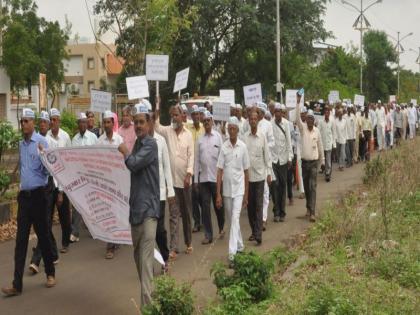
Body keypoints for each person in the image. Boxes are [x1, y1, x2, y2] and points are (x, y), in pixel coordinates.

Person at [2, 108, 56, 297]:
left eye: (26, 121)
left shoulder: (42, 142)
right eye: (22, 121)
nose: (23, 124)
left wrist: (44, 156)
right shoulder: (21, 145)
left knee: (43, 236)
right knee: (21, 241)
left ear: (33, 123)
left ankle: (50, 272)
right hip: (24, 198)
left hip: (39, 196)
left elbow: (51, 169)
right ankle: (17, 284)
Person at [118, 104, 160, 308]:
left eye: (142, 122)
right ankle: (154, 292)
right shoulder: (136, 145)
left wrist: (124, 151)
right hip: (135, 211)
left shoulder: (151, 144)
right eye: (136, 122)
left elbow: (133, 164)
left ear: (149, 123)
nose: (138, 126)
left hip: (149, 211)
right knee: (140, 262)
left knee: (145, 260)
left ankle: (148, 308)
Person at [155, 103, 194, 259]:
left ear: (182, 116)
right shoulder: (167, 132)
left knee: (186, 214)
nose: (173, 118)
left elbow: (191, 156)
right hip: (171, 183)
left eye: (176, 115)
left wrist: (189, 174)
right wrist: (157, 107)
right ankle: (174, 248)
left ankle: (189, 242)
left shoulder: (188, 135)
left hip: (185, 182)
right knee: (173, 215)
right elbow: (156, 126)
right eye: (172, 115)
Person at [216, 117, 250, 266]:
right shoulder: (224, 147)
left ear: (237, 129)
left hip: (239, 189)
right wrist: (218, 194)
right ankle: (240, 245)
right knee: (232, 220)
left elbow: (247, 172)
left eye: (234, 128)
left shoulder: (243, 147)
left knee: (235, 219)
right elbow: (219, 171)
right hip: (227, 190)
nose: (231, 131)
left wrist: (246, 195)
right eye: (229, 128)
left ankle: (232, 254)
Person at [29, 111, 59, 274]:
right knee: (44, 224)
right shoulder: (32, 141)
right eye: (40, 122)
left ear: (49, 125)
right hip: (35, 189)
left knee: (43, 224)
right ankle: (53, 253)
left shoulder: (50, 143)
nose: (42, 124)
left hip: (49, 187)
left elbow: (55, 167)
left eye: (45, 122)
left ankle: (36, 260)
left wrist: (59, 191)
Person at [148, 111, 175, 270]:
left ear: (152, 122)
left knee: (159, 230)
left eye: (150, 121)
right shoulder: (140, 142)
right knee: (147, 232)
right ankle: (149, 262)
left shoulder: (161, 141)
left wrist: (170, 191)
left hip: (160, 194)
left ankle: (165, 258)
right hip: (145, 195)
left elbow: (166, 167)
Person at [194, 111, 225, 245]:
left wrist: (223, 177)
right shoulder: (199, 140)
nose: (206, 123)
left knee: (218, 205)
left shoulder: (218, 137)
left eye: (208, 120)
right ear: (203, 123)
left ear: (212, 122)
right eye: (204, 121)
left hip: (216, 178)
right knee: (205, 207)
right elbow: (196, 161)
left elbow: (223, 158)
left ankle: (222, 227)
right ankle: (208, 234)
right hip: (204, 179)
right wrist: (196, 180)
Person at [98, 110, 124, 259]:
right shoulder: (99, 141)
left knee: (117, 211)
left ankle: (117, 238)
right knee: (108, 213)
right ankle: (110, 245)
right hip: (105, 182)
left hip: (117, 181)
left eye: (109, 122)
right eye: (104, 122)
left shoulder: (119, 140)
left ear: (113, 124)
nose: (107, 125)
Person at [295, 95, 325, 222]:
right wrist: (297, 103)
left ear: (314, 120)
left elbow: (320, 146)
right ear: (306, 120)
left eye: (311, 119)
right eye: (308, 119)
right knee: (306, 188)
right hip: (304, 163)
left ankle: (312, 212)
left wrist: (322, 161)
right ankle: (308, 209)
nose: (309, 121)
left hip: (313, 164)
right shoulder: (303, 130)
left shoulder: (317, 131)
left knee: (312, 187)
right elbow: (297, 119)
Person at [47, 108, 72, 254]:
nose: (52, 122)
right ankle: (49, 244)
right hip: (50, 183)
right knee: (47, 216)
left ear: (59, 121)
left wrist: (62, 190)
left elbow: (67, 161)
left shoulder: (65, 137)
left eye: (55, 119)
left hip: (63, 181)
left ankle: (65, 242)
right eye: (51, 119)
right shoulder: (46, 138)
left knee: (64, 216)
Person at [70, 113, 98, 243]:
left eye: (84, 122)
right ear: (77, 124)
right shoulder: (74, 140)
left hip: (91, 175)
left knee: (91, 203)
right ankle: (74, 232)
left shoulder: (93, 137)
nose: (82, 124)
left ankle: (94, 229)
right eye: (80, 122)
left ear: (87, 124)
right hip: (79, 176)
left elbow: (98, 156)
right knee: (77, 204)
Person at [244, 111, 271, 245]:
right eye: (251, 119)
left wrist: (269, 173)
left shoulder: (262, 137)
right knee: (250, 207)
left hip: (260, 176)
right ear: (248, 121)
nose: (253, 121)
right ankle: (254, 231)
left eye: (255, 119)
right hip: (248, 179)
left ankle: (258, 234)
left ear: (258, 121)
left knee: (259, 205)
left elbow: (267, 155)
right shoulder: (244, 138)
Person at [271, 104, 293, 222]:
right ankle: (276, 211)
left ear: (282, 112)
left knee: (283, 186)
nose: (278, 113)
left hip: (284, 160)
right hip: (273, 160)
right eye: (276, 112)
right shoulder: (270, 124)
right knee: (275, 185)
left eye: (280, 111)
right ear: (274, 112)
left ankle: (282, 212)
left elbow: (289, 142)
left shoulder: (286, 124)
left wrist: (290, 157)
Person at [255, 102, 275, 230]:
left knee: (265, 192)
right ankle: (257, 217)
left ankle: (263, 218)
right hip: (254, 163)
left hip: (265, 161)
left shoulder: (268, 125)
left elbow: (272, 142)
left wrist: (265, 146)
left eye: (258, 112)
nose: (256, 114)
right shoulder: (251, 123)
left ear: (262, 112)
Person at [186, 105, 204, 233]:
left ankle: (205, 220)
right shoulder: (188, 129)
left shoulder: (205, 128)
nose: (196, 116)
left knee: (203, 196)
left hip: (203, 168)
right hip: (192, 167)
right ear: (191, 116)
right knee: (194, 196)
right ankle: (197, 222)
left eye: (198, 114)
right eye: (194, 114)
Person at [318, 106, 336, 182]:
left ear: (329, 113)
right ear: (324, 113)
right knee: (323, 160)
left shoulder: (332, 121)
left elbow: (334, 133)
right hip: (322, 144)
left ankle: (328, 174)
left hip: (329, 144)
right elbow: (318, 132)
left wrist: (334, 144)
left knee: (328, 160)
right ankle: (325, 170)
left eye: (328, 112)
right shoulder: (320, 121)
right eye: (325, 111)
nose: (327, 113)